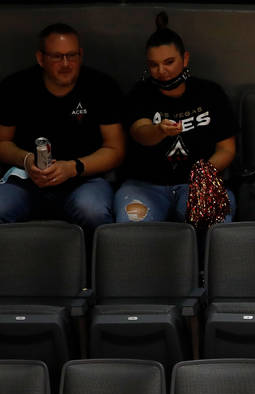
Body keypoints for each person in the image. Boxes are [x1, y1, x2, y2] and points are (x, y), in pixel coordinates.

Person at [0, 22, 124, 235]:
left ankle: (93, 268)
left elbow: (115, 149)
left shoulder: (102, 86)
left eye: (72, 56)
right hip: (25, 177)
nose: (66, 63)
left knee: (92, 211)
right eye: (57, 57)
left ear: (81, 55)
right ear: (41, 58)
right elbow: (2, 142)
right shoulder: (15, 87)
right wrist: (27, 161)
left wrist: (73, 168)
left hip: (84, 177)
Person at [115, 13, 236, 224]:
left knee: (209, 218)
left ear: (185, 58)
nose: (162, 71)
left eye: (169, 62)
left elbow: (227, 149)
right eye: (154, 65)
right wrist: (159, 130)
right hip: (144, 185)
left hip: (197, 181)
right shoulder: (140, 93)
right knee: (131, 224)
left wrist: (203, 175)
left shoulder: (210, 92)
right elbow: (140, 132)